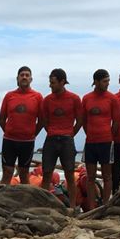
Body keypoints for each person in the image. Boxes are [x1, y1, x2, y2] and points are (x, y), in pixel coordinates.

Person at [40, 68, 83, 210]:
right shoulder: (47, 100)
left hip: (66, 140)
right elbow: (45, 121)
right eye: (50, 82)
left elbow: (80, 120)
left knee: (70, 174)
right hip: (51, 139)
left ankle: (72, 206)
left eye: (53, 82)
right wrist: (53, 132)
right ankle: (45, 206)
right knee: (46, 173)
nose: (50, 85)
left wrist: (70, 134)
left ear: (62, 82)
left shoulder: (74, 98)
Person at [0, 66, 43, 185]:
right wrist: (9, 131)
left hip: (27, 141)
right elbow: (2, 119)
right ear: (17, 78)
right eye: (22, 75)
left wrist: (32, 133)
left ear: (31, 79)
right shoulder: (9, 96)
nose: (24, 77)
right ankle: (1, 200)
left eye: (27, 75)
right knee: (7, 172)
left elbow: (42, 120)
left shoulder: (37, 97)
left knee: (24, 173)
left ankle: (25, 201)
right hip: (9, 141)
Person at [81, 69, 119, 207]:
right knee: (90, 177)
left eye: (108, 81)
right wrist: (90, 133)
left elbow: (116, 122)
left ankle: (105, 205)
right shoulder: (86, 98)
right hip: (90, 142)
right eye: (105, 81)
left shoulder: (112, 98)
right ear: (96, 82)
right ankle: (92, 206)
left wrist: (109, 136)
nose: (107, 84)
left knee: (107, 176)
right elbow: (83, 121)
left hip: (106, 142)